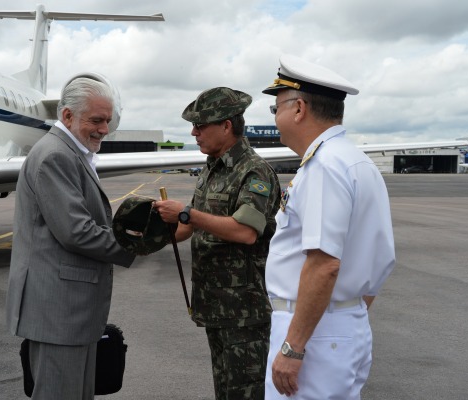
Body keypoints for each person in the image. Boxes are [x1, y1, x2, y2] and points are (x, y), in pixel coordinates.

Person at [261, 55, 396, 399]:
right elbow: (376, 258)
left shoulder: (324, 166)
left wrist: (294, 347)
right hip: (339, 325)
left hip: (314, 334)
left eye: (276, 109)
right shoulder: (356, 162)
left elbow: (324, 264)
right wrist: (345, 311)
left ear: (299, 108)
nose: (275, 119)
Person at [5, 77, 135, 400]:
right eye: (97, 120)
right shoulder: (55, 156)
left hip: (71, 315)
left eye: (107, 120)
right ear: (67, 116)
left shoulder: (71, 152)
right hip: (58, 315)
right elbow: (77, 232)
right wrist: (136, 243)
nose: (104, 129)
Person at [153, 87, 281, 399]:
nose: (194, 132)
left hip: (244, 313)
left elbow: (245, 231)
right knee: (224, 392)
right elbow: (190, 229)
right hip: (216, 307)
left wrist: (186, 213)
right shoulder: (212, 168)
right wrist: (150, 233)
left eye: (201, 125)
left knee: (244, 394)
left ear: (226, 125)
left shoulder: (255, 171)